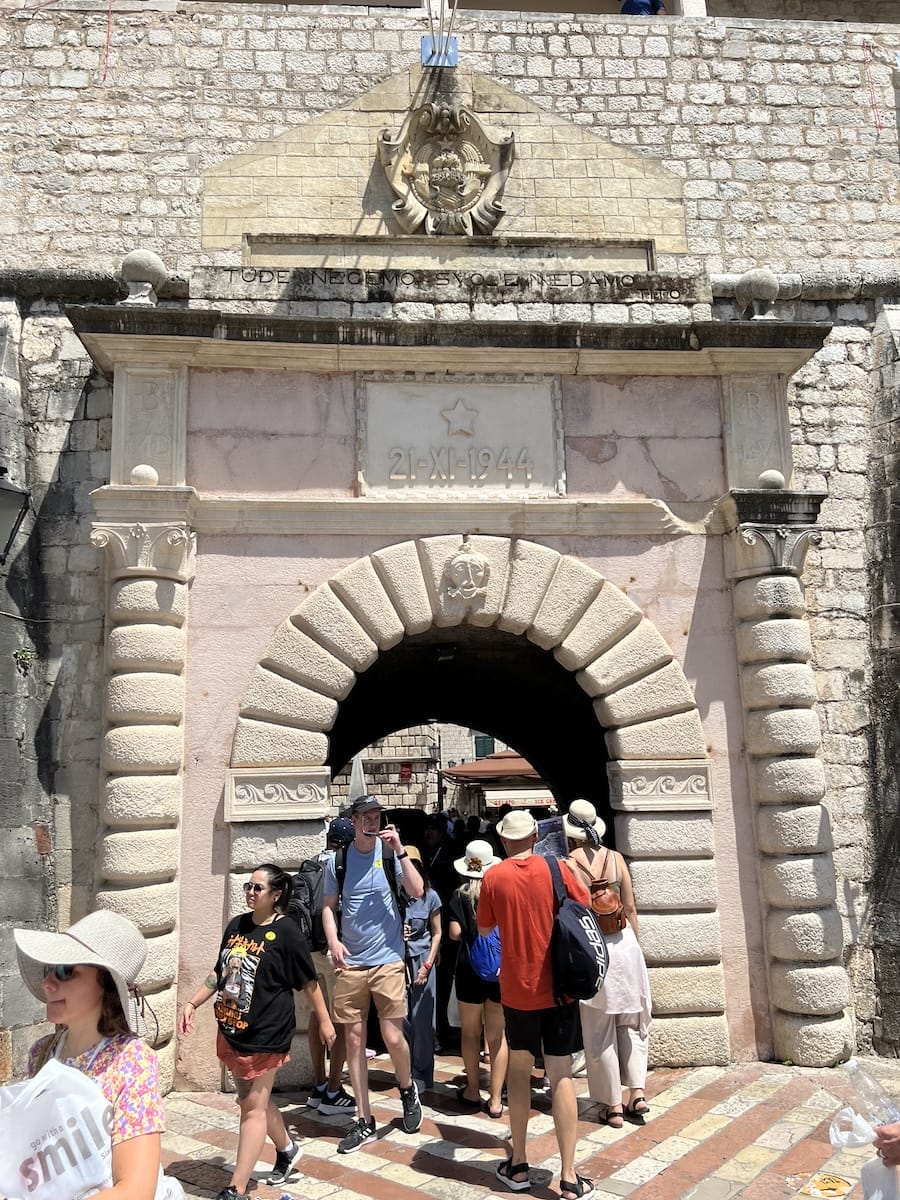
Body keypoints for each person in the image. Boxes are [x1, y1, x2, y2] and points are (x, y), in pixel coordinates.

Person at [179, 863, 336, 1200]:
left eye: (257, 888)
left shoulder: (287, 932)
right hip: (233, 1028)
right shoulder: (237, 925)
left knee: (251, 1107)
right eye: (248, 886)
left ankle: (236, 1187)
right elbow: (219, 971)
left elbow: (308, 981)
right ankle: (288, 1149)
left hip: (268, 1031)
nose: (250, 892)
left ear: (275, 895)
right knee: (252, 1102)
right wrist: (193, 1003)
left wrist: (324, 1021)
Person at [478, 810, 595, 1200]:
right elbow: (585, 906)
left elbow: (484, 928)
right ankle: (569, 1176)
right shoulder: (558, 868)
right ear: (534, 837)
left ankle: (520, 1164)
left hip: (518, 990)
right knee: (561, 1075)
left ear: (503, 841)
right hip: (560, 989)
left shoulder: (493, 876)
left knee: (518, 1074)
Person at [14, 909, 165, 1200]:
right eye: (50, 968)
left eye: (66, 971)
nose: (48, 983)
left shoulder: (131, 1062)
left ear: (106, 985)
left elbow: (135, 1190)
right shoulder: (41, 1053)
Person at [322, 794, 425, 1153]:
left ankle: (407, 1087)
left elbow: (417, 890)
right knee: (353, 1040)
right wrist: (333, 940)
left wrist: (400, 851)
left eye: (376, 815)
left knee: (394, 1037)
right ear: (353, 821)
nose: (372, 821)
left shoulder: (389, 854)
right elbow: (328, 908)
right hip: (351, 962)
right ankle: (364, 1119)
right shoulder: (338, 861)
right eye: (365, 815)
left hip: (388, 959)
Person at [564, 799, 652, 1128]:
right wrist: (636, 948)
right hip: (626, 946)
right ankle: (638, 1093)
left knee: (599, 1030)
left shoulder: (567, 863)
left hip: (594, 952)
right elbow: (630, 908)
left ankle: (612, 1105)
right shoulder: (615, 859)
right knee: (631, 1022)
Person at [447, 838, 508, 1119]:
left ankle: (473, 1090)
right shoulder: (502, 891)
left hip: (469, 969)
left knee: (470, 1034)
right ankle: (496, 1099)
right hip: (499, 972)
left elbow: (455, 934)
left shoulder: (459, 896)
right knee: (497, 1037)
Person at [307, 815, 357, 1116]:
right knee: (340, 1018)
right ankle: (334, 1090)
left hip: (310, 949)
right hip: (336, 948)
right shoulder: (344, 863)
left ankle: (318, 1084)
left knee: (318, 1013)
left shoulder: (312, 862)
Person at [401, 846, 442, 1093]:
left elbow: (437, 933)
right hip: (398, 962)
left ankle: (422, 1073)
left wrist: (428, 965)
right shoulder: (394, 896)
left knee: (423, 1020)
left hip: (423, 961)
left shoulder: (431, 896)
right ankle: (405, 1069)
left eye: (413, 866)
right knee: (402, 1019)